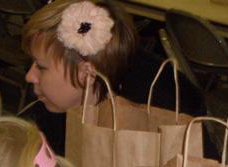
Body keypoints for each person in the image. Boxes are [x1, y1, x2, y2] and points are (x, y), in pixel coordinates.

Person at [21, 0, 205, 155]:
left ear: (86, 73)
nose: (29, 76)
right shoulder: (47, 108)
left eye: (41, 67)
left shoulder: (157, 118)